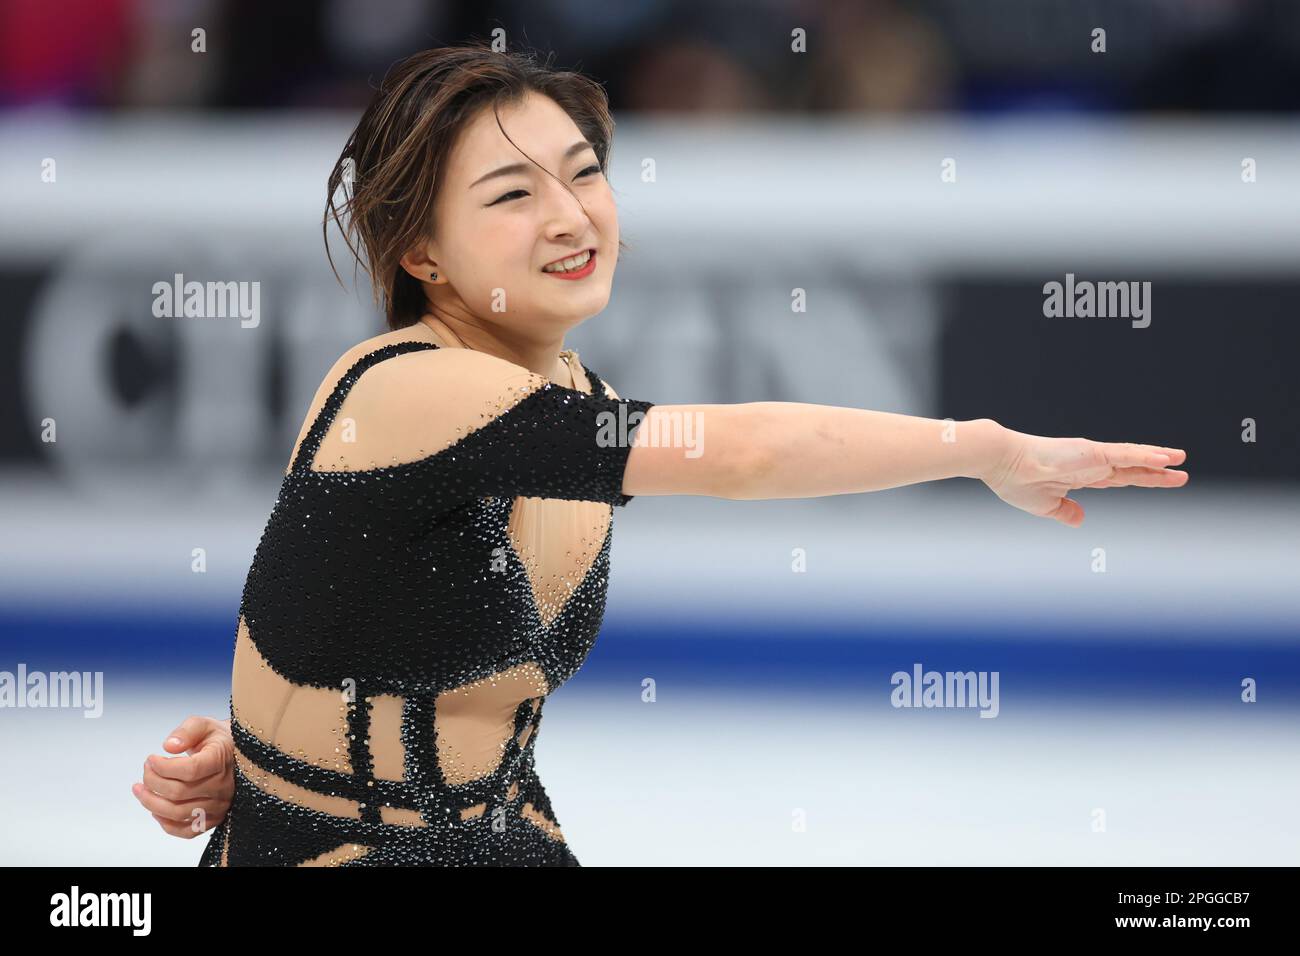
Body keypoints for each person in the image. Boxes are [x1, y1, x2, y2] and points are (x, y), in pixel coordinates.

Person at [130, 45, 1188, 866]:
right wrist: (979, 447)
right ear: (422, 252)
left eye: (584, 173)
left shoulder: (566, 401)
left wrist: (267, 754)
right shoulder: (406, 386)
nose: (569, 212)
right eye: (510, 193)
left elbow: (347, 630)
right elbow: (740, 450)